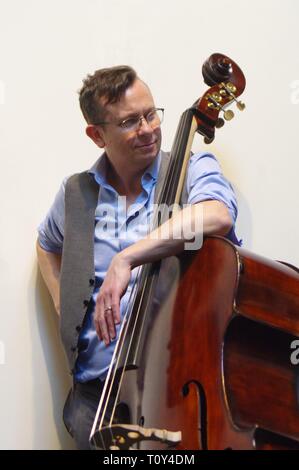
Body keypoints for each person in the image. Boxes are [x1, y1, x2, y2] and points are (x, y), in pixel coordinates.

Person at [36, 65, 239, 449]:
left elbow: (217, 213)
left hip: (170, 394)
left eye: (150, 114)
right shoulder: (76, 194)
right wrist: (62, 301)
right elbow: (46, 243)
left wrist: (126, 258)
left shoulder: (192, 169)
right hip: (93, 401)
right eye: (130, 121)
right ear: (97, 135)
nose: (147, 129)